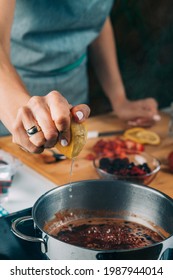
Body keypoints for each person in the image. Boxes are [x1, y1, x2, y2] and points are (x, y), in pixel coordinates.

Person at [0, 0, 160, 154]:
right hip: (12, 91)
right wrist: (26, 115)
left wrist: (119, 99)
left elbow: (94, 17)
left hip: (74, 85)